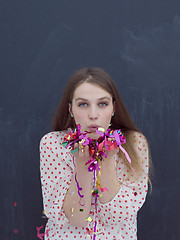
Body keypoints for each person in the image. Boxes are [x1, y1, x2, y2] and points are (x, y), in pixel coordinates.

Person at [40, 67, 151, 240]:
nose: (93, 115)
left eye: (102, 104)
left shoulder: (134, 144)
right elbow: (76, 218)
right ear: (70, 109)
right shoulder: (53, 144)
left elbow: (115, 217)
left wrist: (107, 161)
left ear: (114, 107)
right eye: (83, 104)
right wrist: (82, 168)